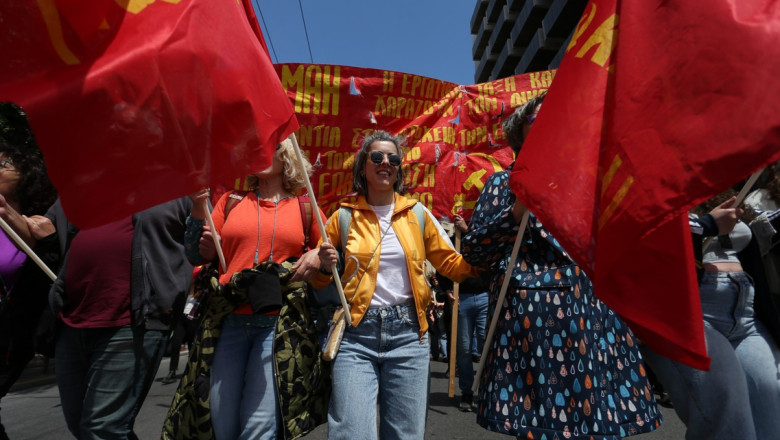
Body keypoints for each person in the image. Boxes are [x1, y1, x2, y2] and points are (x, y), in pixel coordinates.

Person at [461, 94, 661, 438]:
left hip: (596, 322)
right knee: (541, 427)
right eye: (539, 119)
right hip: (534, 327)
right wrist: (514, 215)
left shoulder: (592, 183)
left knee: (597, 424)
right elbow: (475, 254)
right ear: (520, 132)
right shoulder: (502, 184)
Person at [313, 130, 479, 439]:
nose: (385, 162)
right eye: (376, 157)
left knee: (405, 435)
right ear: (364, 166)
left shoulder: (417, 213)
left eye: (392, 158)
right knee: (351, 433)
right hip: (355, 337)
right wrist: (323, 265)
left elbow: (452, 265)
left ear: (399, 167)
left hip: (408, 338)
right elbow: (321, 279)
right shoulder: (342, 217)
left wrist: (487, 252)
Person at [163, 138, 329, 440]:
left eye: (270, 148)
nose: (260, 154)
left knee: (259, 428)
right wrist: (199, 208)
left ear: (286, 157)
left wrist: (319, 255)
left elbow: (332, 261)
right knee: (221, 422)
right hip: (227, 322)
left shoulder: (306, 207)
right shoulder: (231, 200)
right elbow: (195, 254)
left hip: (278, 325)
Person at [641, 190, 780, 439]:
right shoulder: (654, 193)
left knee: (771, 422)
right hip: (690, 317)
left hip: (745, 318)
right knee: (730, 426)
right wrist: (707, 225)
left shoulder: (721, 191)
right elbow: (645, 240)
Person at [0, 137, 58, 439]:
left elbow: (56, 278)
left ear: (27, 177)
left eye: (3, 164)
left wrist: (46, 243)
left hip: (10, 337)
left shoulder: (42, 224)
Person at [440, 214, 489, 413]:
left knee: (487, 346)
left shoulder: (483, 237)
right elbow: (442, 266)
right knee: (464, 348)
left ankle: (487, 390)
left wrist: (469, 232)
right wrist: (447, 290)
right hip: (463, 298)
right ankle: (467, 392)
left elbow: (489, 255)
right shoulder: (453, 244)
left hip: (485, 296)